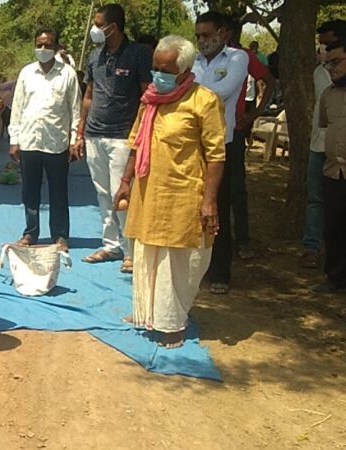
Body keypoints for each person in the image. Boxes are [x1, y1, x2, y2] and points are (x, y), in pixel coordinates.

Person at [114, 35, 225, 349]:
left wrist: (209, 200)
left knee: (180, 260)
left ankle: (173, 323)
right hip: (149, 191)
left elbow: (216, 156)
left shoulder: (204, 101)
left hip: (184, 193)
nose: (158, 76)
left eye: (165, 70)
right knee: (147, 253)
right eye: (155, 68)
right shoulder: (149, 99)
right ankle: (147, 313)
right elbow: (137, 144)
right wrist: (125, 183)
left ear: (185, 69)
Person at [78, 3, 152, 273]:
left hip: (123, 136)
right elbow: (89, 96)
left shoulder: (138, 54)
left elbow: (146, 96)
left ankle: (131, 250)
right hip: (94, 135)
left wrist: (141, 132)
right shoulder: (95, 57)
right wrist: (80, 131)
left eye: (99, 25)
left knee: (121, 194)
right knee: (102, 193)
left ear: (114, 27)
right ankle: (111, 245)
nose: (95, 30)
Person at [9, 28, 82, 252]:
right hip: (29, 140)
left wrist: (74, 139)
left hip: (56, 142)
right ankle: (31, 233)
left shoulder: (68, 74)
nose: (43, 49)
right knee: (30, 192)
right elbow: (17, 108)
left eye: (48, 45)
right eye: (39, 44)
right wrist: (14, 139)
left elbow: (75, 109)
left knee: (58, 192)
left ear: (56, 47)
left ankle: (60, 236)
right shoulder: (26, 73)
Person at [192, 11, 248, 295]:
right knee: (192, 207)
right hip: (192, 145)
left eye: (207, 35)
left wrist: (190, 91)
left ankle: (220, 272)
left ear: (223, 33)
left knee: (217, 208)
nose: (202, 41)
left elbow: (221, 93)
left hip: (220, 145)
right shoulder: (194, 60)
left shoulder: (237, 58)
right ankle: (195, 267)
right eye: (198, 36)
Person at [222, 16, 276, 260]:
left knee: (236, 187)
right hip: (204, 134)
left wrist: (254, 113)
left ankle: (242, 240)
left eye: (218, 32)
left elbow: (269, 81)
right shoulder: (201, 60)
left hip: (233, 132)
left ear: (228, 33)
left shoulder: (244, 57)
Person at [302, 20, 345, 269]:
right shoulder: (320, 73)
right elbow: (324, 119)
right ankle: (312, 247)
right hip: (321, 147)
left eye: (329, 44)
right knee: (318, 200)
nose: (324, 49)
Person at [312, 39, 346, 293]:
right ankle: (335, 279)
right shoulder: (328, 95)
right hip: (334, 171)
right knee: (333, 228)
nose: (330, 68)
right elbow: (325, 125)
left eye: (336, 62)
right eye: (328, 63)